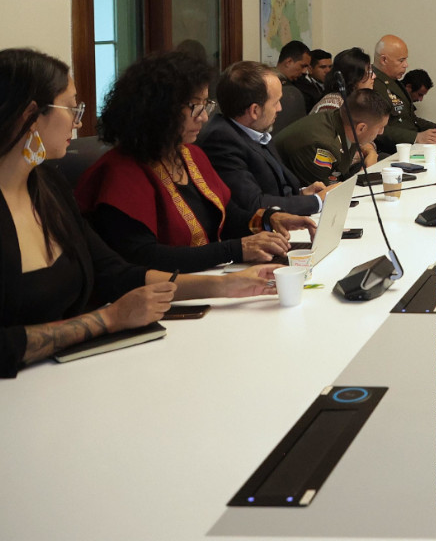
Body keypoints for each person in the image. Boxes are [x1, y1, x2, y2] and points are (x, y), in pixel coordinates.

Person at [0, 48, 277, 378]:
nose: (78, 120)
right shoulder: (113, 172)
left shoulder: (46, 187)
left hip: (62, 376)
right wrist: (107, 320)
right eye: (73, 107)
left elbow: (117, 273)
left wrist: (229, 287)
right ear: (30, 114)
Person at [77, 50, 315, 273]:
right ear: (159, 109)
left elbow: (227, 213)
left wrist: (268, 218)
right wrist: (236, 249)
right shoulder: (121, 173)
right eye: (195, 107)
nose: (203, 117)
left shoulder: (190, 154)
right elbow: (143, 256)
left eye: (205, 105)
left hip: (211, 279)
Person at [197, 61, 330, 216]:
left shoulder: (254, 129)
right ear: (255, 110)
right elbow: (255, 204)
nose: (280, 108)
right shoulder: (221, 141)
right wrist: (317, 201)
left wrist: (301, 194)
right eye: (275, 102)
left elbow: (273, 189)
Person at [275, 88, 391, 186]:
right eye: (380, 127)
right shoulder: (322, 145)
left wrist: (371, 152)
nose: (381, 132)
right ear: (361, 128)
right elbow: (324, 193)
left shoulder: (342, 119)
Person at [371, 34, 436, 153]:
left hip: (410, 148)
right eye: (401, 60)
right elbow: (374, 129)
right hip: (391, 152)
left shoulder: (394, 82)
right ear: (384, 60)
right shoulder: (371, 83)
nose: (406, 64)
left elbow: (411, 119)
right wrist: (416, 137)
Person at [313, 47, 376, 114]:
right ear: (354, 76)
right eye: (368, 71)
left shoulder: (355, 100)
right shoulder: (332, 105)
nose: (374, 76)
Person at [273, 39, 312, 131]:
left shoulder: (299, 83)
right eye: (302, 66)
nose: (304, 71)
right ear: (289, 62)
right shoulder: (275, 85)